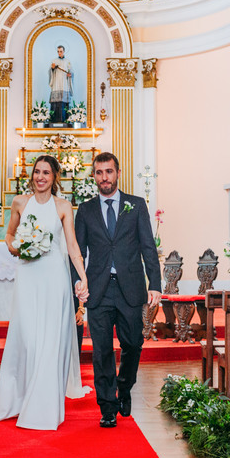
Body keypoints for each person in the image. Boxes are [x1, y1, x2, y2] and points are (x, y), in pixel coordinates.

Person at [0, 155, 89, 431]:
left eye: (46, 172)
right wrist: (16, 246)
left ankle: (43, 408)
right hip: (28, 277)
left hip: (53, 278)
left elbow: (71, 245)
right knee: (28, 340)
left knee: (50, 342)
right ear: (32, 175)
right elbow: (9, 235)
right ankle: (21, 398)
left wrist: (82, 277)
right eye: (37, 172)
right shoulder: (20, 202)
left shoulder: (63, 206)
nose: (40, 177)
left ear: (54, 177)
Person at [72, 152, 161, 428]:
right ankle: (107, 406)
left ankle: (124, 386)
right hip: (98, 289)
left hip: (131, 288)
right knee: (101, 351)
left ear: (118, 173)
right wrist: (78, 282)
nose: (104, 178)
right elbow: (77, 252)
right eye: (99, 173)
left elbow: (148, 246)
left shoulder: (136, 205)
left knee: (133, 344)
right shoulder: (85, 210)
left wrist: (155, 284)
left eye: (109, 172)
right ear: (94, 176)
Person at [48, 45, 73, 124]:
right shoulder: (54, 61)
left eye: (61, 51)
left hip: (64, 83)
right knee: (56, 102)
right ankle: (54, 119)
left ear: (64, 51)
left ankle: (65, 119)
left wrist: (70, 74)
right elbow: (50, 71)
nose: (59, 53)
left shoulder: (67, 61)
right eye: (58, 51)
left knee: (63, 101)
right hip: (56, 83)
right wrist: (52, 68)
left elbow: (71, 71)